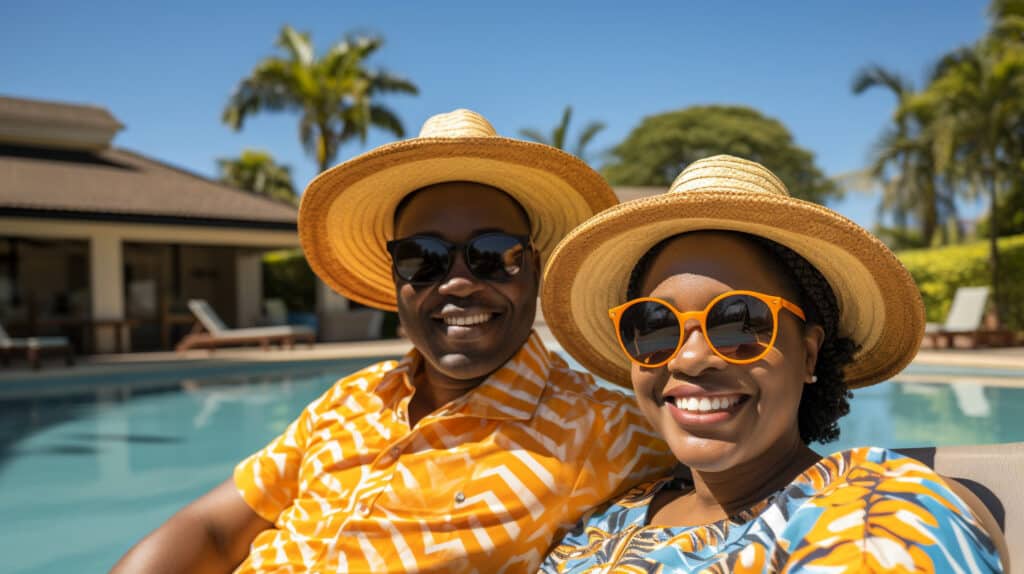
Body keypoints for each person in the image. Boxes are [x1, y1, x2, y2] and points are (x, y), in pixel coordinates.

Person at [111, 109, 675, 573]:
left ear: (535, 268)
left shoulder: (607, 429)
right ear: (397, 279)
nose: (457, 282)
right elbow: (211, 529)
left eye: (493, 254)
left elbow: (738, 483)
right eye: (423, 258)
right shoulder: (348, 400)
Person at [537, 155, 1007, 572]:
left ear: (808, 353)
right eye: (656, 325)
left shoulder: (876, 511)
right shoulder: (602, 523)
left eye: (740, 322)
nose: (692, 358)